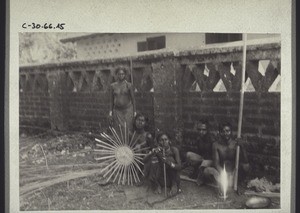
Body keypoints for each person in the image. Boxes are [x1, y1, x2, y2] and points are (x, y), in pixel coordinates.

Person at [204, 122, 250, 196]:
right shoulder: (216, 145)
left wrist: (242, 146)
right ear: (219, 132)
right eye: (223, 131)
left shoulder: (236, 144)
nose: (225, 133)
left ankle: (238, 184)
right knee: (207, 171)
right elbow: (216, 164)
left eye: (228, 131)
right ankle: (222, 184)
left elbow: (245, 161)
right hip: (222, 173)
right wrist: (224, 174)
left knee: (246, 166)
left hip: (234, 173)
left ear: (231, 132)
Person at [184, 120, 214, 184]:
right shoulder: (199, 139)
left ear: (207, 130)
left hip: (211, 160)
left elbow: (213, 156)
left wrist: (204, 162)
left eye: (203, 130)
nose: (201, 132)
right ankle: (197, 171)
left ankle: (201, 175)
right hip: (203, 159)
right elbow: (199, 153)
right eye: (199, 130)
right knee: (188, 154)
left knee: (204, 165)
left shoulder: (212, 139)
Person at [109, 67, 136, 133]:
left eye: (122, 74)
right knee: (118, 129)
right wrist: (110, 111)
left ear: (125, 75)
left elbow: (133, 99)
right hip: (117, 111)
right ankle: (119, 143)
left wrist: (134, 111)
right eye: (119, 74)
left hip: (127, 110)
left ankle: (127, 143)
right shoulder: (113, 86)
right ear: (117, 75)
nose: (121, 75)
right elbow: (111, 100)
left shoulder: (129, 85)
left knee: (127, 129)